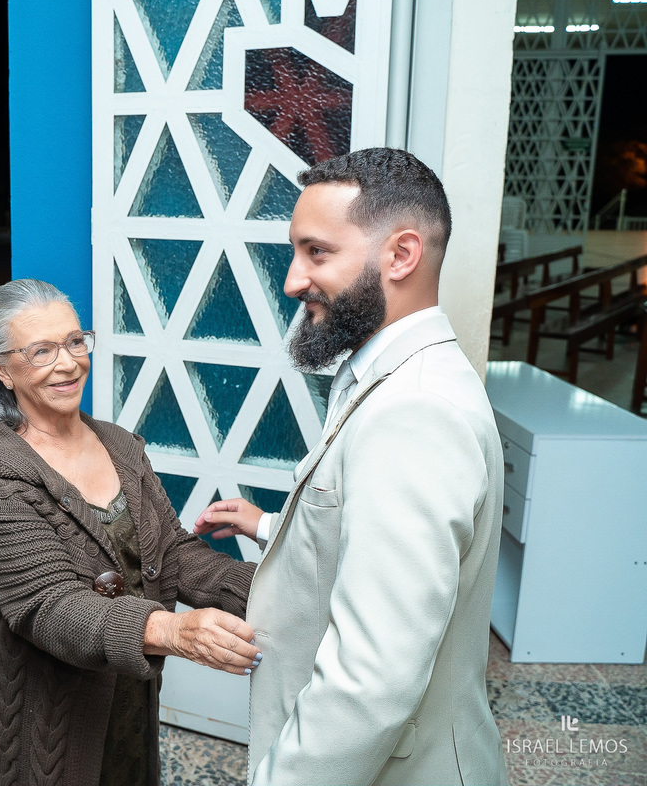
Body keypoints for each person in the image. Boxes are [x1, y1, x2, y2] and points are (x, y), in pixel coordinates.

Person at [194, 148, 507, 785]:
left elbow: (373, 678)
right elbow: (375, 531)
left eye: (317, 252)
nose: (292, 279)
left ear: (401, 254)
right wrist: (269, 525)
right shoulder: (387, 371)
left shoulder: (414, 410)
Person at [0, 279, 261, 786]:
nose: (68, 363)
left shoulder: (120, 446)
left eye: (76, 341)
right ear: (1, 369)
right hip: (46, 724)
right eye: (41, 351)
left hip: (126, 697)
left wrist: (273, 588)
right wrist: (171, 630)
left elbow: (172, 552)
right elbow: (49, 607)